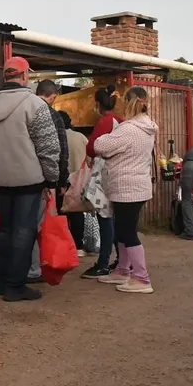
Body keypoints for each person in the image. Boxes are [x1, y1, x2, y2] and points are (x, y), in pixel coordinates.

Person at [0, 57, 60, 302]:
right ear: (24, 76)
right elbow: (48, 147)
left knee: (5, 229)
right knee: (24, 231)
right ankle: (16, 285)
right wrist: (51, 180)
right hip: (29, 179)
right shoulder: (35, 105)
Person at [94, 86, 157, 294]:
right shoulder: (147, 127)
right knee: (124, 230)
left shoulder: (128, 128)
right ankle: (123, 270)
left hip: (126, 186)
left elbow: (100, 145)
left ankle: (141, 277)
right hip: (137, 185)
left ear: (128, 103)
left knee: (127, 232)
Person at [27, 79, 69, 283]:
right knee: (39, 225)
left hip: (23, 176)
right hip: (44, 180)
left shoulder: (25, 110)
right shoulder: (52, 115)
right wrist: (58, 181)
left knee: (22, 225)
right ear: (52, 96)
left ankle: (25, 266)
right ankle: (37, 267)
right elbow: (59, 151)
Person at [81, 84, 123, 279]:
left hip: (104, 175)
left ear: (98, 104)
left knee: (105, 219)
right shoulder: (121, 121)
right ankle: (122, 260)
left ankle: (103, 262)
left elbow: (91, 147)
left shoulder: (105, 121)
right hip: (119, 174)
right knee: (115, 220)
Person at [59, 110, 89, 255]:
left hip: (61, 180)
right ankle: (78, 246)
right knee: (77, 213)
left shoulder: (57, 136)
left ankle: (63, 245)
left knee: (61, 213)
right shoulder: (81, 137)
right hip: (79, 180)